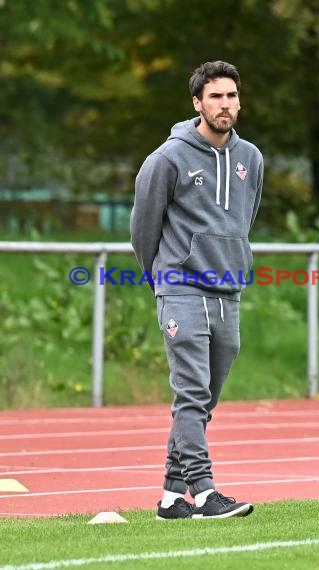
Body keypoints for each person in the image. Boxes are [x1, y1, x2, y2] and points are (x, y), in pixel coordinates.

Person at [130, 61, 264, 519]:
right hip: (181, 290)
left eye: (230, 96)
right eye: (214, 97)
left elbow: (244, 220)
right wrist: (163, 280)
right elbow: (143, 231)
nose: (224, 104)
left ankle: (171, 497)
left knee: (204, 398)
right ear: (197, 103)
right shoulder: (166, 159)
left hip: (228, 294)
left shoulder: (252, 159)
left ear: (238, 101)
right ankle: (205, 492)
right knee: (191, 392)